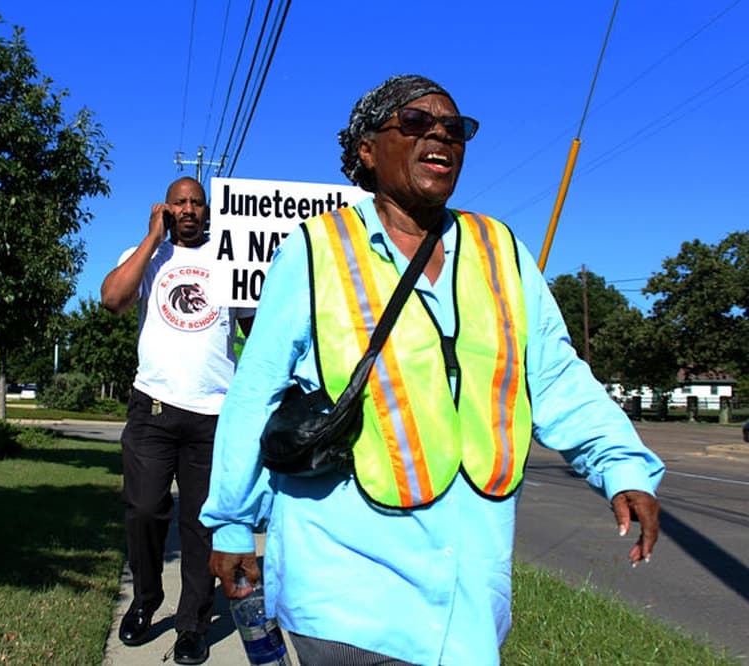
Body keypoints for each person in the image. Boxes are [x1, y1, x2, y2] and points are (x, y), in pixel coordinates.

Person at [200, 75, 664, 665]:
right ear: (367, 149)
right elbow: (256, 389)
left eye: (456, 128)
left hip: (469, 595)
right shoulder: (317, 249)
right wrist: (234, 524)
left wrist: (622, 467)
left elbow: (554, 375)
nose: (440, 134)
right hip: (347, 585)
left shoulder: (501, 251)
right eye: (416, 123)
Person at [101, 176, 254, 665]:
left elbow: (258, 324)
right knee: (144, 509)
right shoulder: (147, 256)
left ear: (208, 212)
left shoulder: (230, 259)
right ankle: (146, 601)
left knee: (199, 527)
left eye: (197, 203)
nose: (188, 209)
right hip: (154, 407)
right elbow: (112, 299)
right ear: (165, 208)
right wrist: (152, 238)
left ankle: (192, 624)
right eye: (179, 203)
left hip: (213, 415)